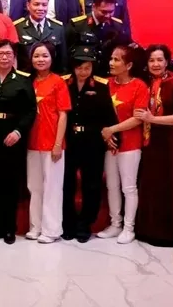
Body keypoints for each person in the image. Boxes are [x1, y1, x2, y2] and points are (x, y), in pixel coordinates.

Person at [0, 40, 37, 245]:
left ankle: (9, 228)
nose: (4, 57)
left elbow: (31, 110)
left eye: (8, 54)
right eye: (0, 54)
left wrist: (18, 131)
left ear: (14, 57)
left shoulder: (23, 80)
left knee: (11, 184)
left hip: (13, 136)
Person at [133, 44, 173, 247]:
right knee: (148, 184)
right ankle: (146, 230)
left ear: (167, 62)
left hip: (168, 141)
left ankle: (166, 234)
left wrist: (152, 119)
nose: (155, 64)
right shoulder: (143, 82)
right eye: (151, 60)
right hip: (147, 140)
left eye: (159, 60)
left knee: (166, 185)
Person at [61, 47, 114, 243]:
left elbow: (108, 115)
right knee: (67, 183)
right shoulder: (64, 83)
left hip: (92, 141)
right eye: (79, 67)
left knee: (91, 184)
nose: (83, 72)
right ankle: (68, 223)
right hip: (69, 140)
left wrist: (111, 137)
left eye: (87, 68)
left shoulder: (100, 85)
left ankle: (85, 224)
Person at [97, 45, 148, 244]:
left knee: (129, 187)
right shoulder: (106, 84)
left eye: (117, 59)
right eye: (111, 58)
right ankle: (115, 224)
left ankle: (129, 228)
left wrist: (112, 129)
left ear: (129, 65)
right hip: (110, 144)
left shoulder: (139, 86)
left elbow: (138, 118)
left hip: (130, 144)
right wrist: (106, 134)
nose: (111, 63)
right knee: (112, 185)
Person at [25, 41, 71, 244]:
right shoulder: (29, 81)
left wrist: (58, 144)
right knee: (34, 187)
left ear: (52, 58)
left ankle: (51, 230)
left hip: (52, 143)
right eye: (36, 56)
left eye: (45, 56)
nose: (40, 60)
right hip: (32, 143)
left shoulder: (58, 82)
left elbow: (63, 115)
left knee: (52, 187)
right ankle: (35, 226)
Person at [67, 0, 131, 77]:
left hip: (108, 76)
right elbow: (67, 54)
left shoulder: (117, 26)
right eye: (104, 12)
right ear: (94, 7)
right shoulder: (77, 25)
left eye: (111, 12)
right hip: (84, 76)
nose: (108, 15)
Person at [14, 0, 68, 74]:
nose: (40, 8)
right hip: (25, 77)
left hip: (50, 77)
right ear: (28, 6)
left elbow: (62, 60)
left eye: (44, 5)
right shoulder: (17, 27)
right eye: (36, 4)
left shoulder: (58, 28)